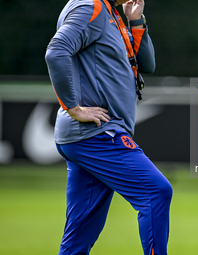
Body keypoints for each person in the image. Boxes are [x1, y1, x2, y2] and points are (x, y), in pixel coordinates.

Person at [45, 0, 173, 254]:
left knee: (79, 235)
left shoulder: (110, 11)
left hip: (90, 135)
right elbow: (56, 51)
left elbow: (146, 65)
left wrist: (135, 21)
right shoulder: (90, 6)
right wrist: (74, 108)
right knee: (156, 192)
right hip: (97, 134)